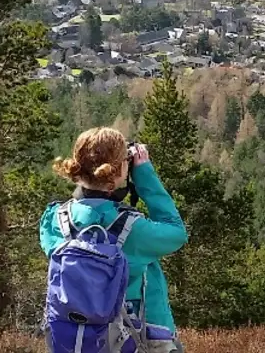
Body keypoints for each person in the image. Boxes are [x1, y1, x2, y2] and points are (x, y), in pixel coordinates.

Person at [40, 127, 188, 337]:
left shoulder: (55, 219)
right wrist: (145, 175)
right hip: (136, 337)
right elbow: (176, 231)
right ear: (118, 171)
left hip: (76, 338)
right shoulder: (133, 229)